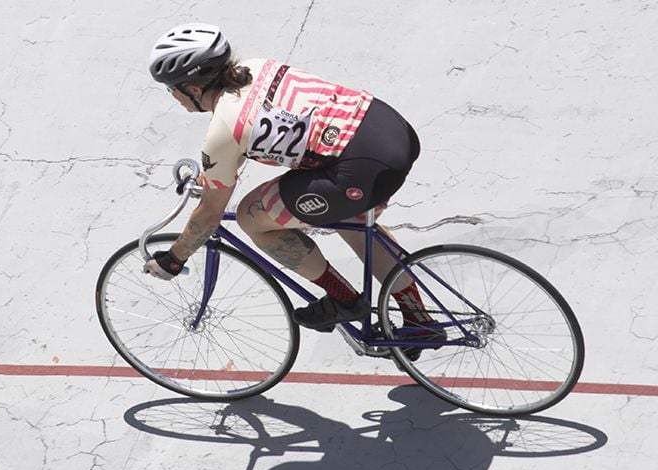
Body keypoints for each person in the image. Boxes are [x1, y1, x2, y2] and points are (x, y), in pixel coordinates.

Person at [140, 22, 439, 339]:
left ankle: (343, 299)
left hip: (358, 169)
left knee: (251, 216)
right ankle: (419, 320)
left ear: (194, 88)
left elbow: (210, 214)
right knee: (345, 215)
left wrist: (175, 258)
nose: (172, 96)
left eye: (171, 88)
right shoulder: (254, 67)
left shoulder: (223, 131)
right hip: (388, 130)